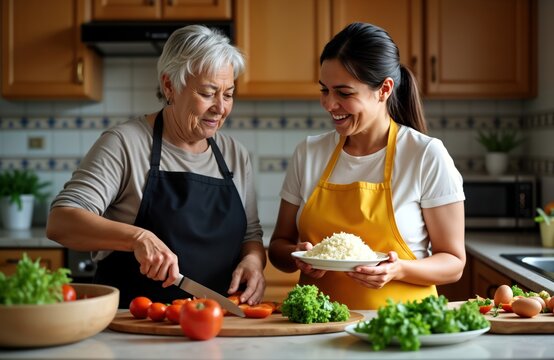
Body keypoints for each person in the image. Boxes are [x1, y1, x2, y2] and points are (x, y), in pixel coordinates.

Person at [46, 25, 266, 308]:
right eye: (208, 92)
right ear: (169, 85)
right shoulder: (125, 143)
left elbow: (251, 235)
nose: (220, 107)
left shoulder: (234, 153)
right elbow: (61, 221)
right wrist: (137, 237)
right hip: (132, 324)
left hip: (213, 325)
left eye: (228, 94)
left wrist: (253, 260)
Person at [268, 22, 465, 310]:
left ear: (384, 89)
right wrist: (298, 255)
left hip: (402, 328)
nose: (329, 104)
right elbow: (278, 247)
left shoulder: (424, 155)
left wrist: (398, 270)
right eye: (324, 90)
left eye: (344, 93)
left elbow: (453, 263)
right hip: (319, 330)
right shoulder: (309, 152)